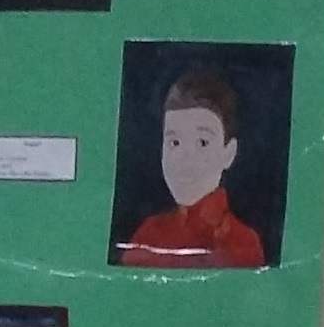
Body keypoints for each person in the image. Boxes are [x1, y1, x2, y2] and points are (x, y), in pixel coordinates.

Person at [113, 71, 268, 268]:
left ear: (229, 153)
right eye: (174, 142)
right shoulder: (148, 234)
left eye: (202, 142)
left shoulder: (241, 242)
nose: (184, 157)